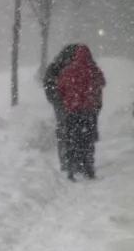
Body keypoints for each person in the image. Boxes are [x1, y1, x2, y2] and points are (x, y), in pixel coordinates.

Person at [43, 44, 105, 180]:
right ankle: (87, 166)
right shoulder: (92, 69)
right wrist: (95, 106)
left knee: (70, 137)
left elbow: (58, 87)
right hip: (88, 111)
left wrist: (61, 102)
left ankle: (70, 165)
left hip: (71, 110)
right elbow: (101, 84)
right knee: (86, 139)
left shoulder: (65, 70)